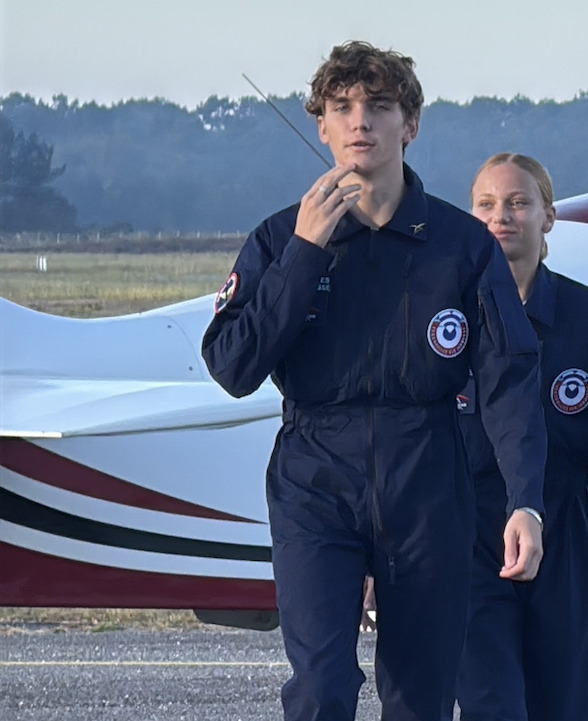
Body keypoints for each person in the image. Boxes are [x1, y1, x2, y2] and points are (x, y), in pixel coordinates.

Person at [201, 41, 546, 721]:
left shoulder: (461, 245)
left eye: (379, 106)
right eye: (341, 107)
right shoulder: (279, 239)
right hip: (315, 477)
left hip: (428, 476)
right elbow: (233, 366)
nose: (360, 120)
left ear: (409, 125)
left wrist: (525, 502)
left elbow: (509, 380)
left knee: (420, 696)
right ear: (322, 125)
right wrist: (304, 255)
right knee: (323, 687)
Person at [453, 153, 588, 720]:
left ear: (548, 216)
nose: (501, 216)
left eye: (517, 202)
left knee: (565, 702)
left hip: (563, 526)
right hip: (469, 531)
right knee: (493, 704)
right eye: (486, 204)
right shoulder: (446, 319)